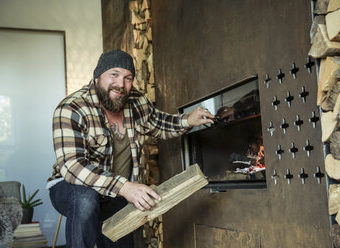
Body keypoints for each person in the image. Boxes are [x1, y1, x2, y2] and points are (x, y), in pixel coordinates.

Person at [46, 50, 214, 248]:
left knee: (121, 235)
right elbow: (72, 166)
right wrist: (125, 187)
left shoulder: (135, 101)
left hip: (116, 194)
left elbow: (160, 124)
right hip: (72, 187)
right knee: (86, 199)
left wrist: (188, 120)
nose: (120, 84)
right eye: (114, 75)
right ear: (97, 76)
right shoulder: (71, 108)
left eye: (128, 78)